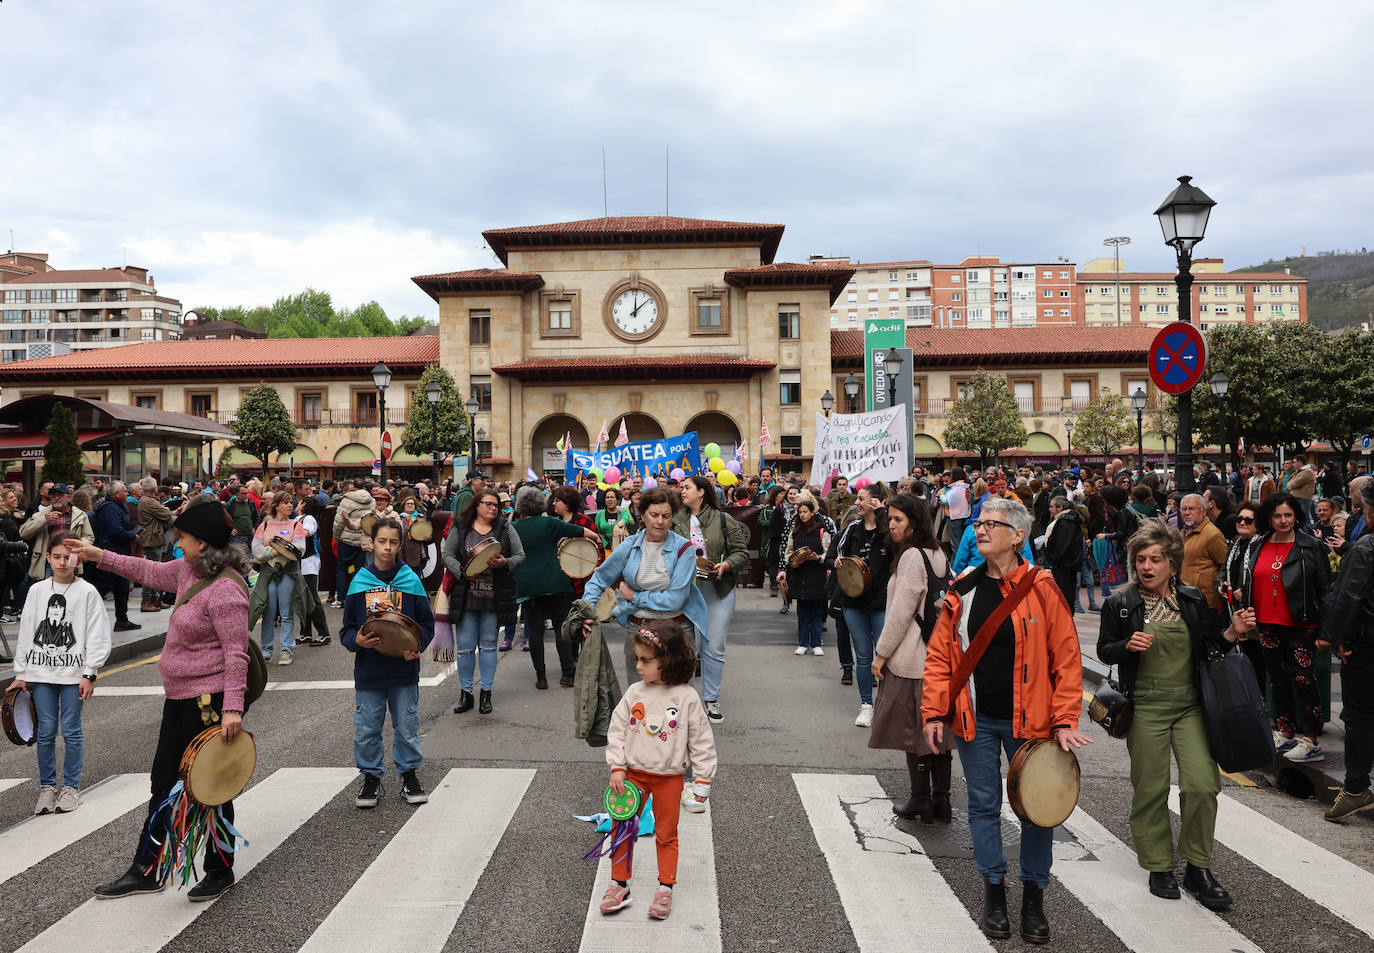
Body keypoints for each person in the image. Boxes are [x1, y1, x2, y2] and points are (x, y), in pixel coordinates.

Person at [922, 496, 1088, 944]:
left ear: (1017, 537)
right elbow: (941, 657)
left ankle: (1033, 896)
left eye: (991, 524)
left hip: (1030, 722)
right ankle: (993, 890)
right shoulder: (964, 588)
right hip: (975, 719)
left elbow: (1067, 658)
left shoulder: (1042, 587)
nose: (980, 530)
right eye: (978, 523)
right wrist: (935, 710)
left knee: (1037, 810)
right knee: (982, 805)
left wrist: (1065, 719)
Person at [74, 498, 252, 901]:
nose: (177, 544)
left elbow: (235, 654)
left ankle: (220, 870)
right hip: (178, 699)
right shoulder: (189, 571)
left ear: (203, 544)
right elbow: (147, 570)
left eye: (183, 538)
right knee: (163, 784)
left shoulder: (225, 590)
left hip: (210, 703)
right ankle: (147, 869)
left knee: (211, 787)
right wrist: (97, 554)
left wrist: (232, 709)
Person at [1098, 519, 1255, 910]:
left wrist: (1233, 632)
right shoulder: (1120, 603)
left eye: (1155, 559)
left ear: (1172, 563)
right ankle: (1158, 866)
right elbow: (1104, 650)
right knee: (1150, 789)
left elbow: (1209, 649)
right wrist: (1126, 647)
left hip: (1189, 707)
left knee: (1202, 785)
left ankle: (1198, 868)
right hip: (1146, 707)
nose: (1146, 567)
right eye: (1140, 559)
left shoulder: (1191, 599)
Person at [600, 621, 716, 922]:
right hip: (633, 776)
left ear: (669, 661)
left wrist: (702, 781)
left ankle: (665, 887)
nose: (638, 666)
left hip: (669, 778)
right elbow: (617, 730)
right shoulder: (634, 692)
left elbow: (702, 741)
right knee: (621, 828)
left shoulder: (687, 697)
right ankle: (619, 884)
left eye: (645, 660)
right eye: (636, 659)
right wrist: (617, 765)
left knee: (666, 834)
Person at [11, 533, 111, 816]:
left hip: (73, 674)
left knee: (71, 730)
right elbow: (27, 632)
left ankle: (71, 787)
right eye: (56, 556)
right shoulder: (37, 591)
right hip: (41, 673)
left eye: (68, 556)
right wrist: (21, 672)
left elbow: (98, 634)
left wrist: (89, 673)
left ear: (78, 557)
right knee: (45, 731)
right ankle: (47, 787)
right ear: (48, 558)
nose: (62, 562)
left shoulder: (87, 592)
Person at [340, 517, 436, 809]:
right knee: (367, 727)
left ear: (400, 543)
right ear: (371, 542)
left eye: (393, 542)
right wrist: (356, 641)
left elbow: (426, 625)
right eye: (382, 541)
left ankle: (409, 775)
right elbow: (346, 630)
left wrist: (417, 646)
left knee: (407, 725)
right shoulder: (360, 582)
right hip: (369, 671)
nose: (387, 547)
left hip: (403, 670)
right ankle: (371, 777)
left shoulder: (411, 580)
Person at [869, 493, 952, 824]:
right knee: (938, 734)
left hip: (912, 659)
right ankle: (942, 801)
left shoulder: (911, 557)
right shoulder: (938, 553)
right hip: (937, 657)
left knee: (914, 732)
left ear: (915, 522)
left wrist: (881, 655)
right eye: (890, 518)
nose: (891, 525)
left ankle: (920, 800)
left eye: (898, 519)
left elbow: (900, 614)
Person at [582, 487, 707, 701]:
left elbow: (675, 599)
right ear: (642, 514)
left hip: (676, 631)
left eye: (666, 516)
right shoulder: (629, 546)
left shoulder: (684, 549)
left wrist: (635, 596)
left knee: (678, 701)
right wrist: (587, 610)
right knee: (641, 700)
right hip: (637, 630)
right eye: (654, 515)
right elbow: (599, 578)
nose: (660, 521)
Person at [1244, 491, 1332, 762]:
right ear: (1268, 518)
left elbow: (1325, 590)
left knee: (1304, 679)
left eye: (1288, 515)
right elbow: (1251, 579)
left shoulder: (1310, 545)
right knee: (1277, 679)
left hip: (1301, 622)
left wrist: (1326, 631)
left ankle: (1311, 738)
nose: (1283, 520)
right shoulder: (1259, 543)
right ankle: (1285, 731)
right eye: (1277, 515)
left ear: (1296, 516)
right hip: (1267, 622)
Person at [672, 475, 749, 725]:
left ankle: (711, 699)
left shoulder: (723, 519)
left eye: (687, 487)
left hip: (718, 589)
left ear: (701, 492)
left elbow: (741, 552)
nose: (682, 491)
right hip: (685, 591)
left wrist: (726, 565)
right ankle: (683, 701)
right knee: (684, 648)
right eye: (681, 487)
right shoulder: (674, 520)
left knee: (713, 647)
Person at [1318, 476, 1374, 821]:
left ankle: (1355, 788)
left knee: (1360, 716)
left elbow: (1347, 597)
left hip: (1367, 645)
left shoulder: (1366, 548)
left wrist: (1332, 636)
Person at [511, 485, 600, 693]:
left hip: (528, 586)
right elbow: (581, 531)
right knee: (562, 628)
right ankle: (567, 674)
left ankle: (541, 678)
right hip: (555, 583)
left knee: (535, 631)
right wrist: (595, 538)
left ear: (519, 507)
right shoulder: (550, 522)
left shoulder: (513, 528)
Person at [442, 487, 524, 710]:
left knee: (488, 646)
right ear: (476, 505)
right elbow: (447, 554)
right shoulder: (460, 526)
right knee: (465, 648)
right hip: (465, 594)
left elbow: (520, 556)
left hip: (493, 595)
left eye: (495, 505)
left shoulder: (506, 528)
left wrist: (504, 563)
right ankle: (466, 694)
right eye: (488, 503)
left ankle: (486, 694)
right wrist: (462, 571)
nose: (493, 508)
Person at [827, 483, 892, 728]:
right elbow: (836, 555)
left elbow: (900, 548)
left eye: (861, 499)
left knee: (885, 654)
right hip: (853, 601)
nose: (856, 502)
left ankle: (886, 704)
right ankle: (867, 705)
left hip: (881, 601)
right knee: (863, 655)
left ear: (875, 501)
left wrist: (883, 513)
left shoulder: (888, 528)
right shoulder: (853, 528)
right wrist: (837, 562)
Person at [249, 492, 311, 666]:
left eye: (291, 502)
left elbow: (299, 549)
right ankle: (266, 650)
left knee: (286, 612)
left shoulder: (296, 525)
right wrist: (274, 551)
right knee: (267, 612)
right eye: (285, 502)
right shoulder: (266, 524)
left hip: (288, 572)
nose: (290, 505)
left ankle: (286, 649)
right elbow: (256, 548)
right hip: (268, 572)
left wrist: (278, 550)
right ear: (276, 505)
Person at [777, 491, 831, 656]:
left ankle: (816, 644)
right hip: (799, 575)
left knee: (816, 612)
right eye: (800, 512)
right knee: (802, 612)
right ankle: (802, 643)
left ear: (812, 512)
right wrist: (792, 561)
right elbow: (787, 552)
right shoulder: (794, 531)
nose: (802, 515)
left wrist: (818, 558)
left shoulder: (822, 530)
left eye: (805, 512)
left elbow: (828, 553)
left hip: (817, 575)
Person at [1219, 500, 1264, 691]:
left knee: (1257, 660)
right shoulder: (1237, 543)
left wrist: (1245, 590)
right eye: (1239, 519)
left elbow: (1263, 576)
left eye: (1248, 520)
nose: (1242, 523)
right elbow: (1224, 568)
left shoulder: (1261, 544)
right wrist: (1221, 584)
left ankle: (1259, 699)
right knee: (1242, 657)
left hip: (1256, 614)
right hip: (1235, 610)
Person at [86, 482, 141, 633]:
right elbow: (115, 531)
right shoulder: (110, 509)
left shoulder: (116, 506)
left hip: (119, 552)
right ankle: (82, 617)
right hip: (110, 553)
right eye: (125, 491)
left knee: (122, 588)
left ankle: (122, 620)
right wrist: (133, 536)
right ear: (116, 494)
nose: (127, 494)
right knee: (103, 586)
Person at [20, 484, 95, 583]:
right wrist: (44, 520)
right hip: (48, 561)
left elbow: (89, 537)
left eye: (60, 495)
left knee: (69, 591)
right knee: (48, 593)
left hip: (71, 559)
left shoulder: (80, 515)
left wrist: (76, 545)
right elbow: (23, 533)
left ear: (68, 498)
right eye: (53, 496)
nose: (56, 498)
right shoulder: (41, 515)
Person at [1178, 493, 1228, 618]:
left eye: (1192, 509)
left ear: (1203, 511)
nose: (1187, 513)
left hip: (1205, 603)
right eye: (1184, 509)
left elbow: (1224, 565)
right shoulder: (1182, 533)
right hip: (1185, 598)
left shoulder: (1212, 534)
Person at [331, 479, 376, 609]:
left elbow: (339, 523)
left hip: (347, 540)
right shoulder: (371, 500)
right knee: (360, 570)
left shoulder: (347, 500)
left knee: (342, 569)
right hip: (363, 540)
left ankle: (341, 599)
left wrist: (337, 537)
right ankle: (358, 599)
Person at [136, 476, 175, 612]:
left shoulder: (146, 500)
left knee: (155, 571)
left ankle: (155, 600)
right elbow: (166, 516)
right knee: (152, 571)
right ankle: (147, 601)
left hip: (153, 537)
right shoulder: (149, 502)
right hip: (152, 539)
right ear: (154, 489)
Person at [1041, 495, 1084, 611]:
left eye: (1051, 507)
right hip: (1067, 567)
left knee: (1060, 601)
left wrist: (1052, 565)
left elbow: (1059, 547)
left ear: (1059, 508)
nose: (1049, 509)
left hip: (1062, 569)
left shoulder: (1064, 522)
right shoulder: (1069, 520)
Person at [595, 486, 635, 552]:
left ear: (617, 499)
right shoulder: (600, 514)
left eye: (612, 497)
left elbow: (625, 519)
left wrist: (617, 526)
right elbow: (597, 531)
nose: (610, 499)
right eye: (607, 497)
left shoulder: (624, 512)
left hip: (621, 549)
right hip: (605, 549)